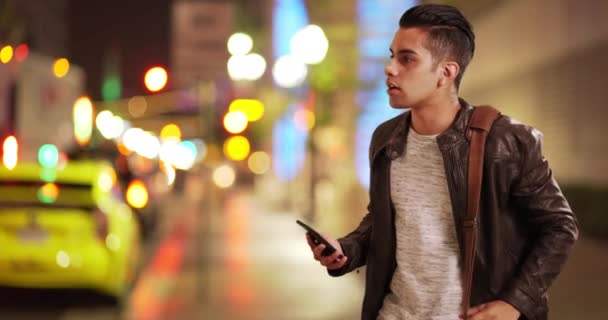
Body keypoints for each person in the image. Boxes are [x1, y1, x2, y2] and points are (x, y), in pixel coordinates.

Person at [305, 4, 578, 320]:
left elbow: (559, 226)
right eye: (392, 55)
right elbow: (383, 219)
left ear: (446, 73)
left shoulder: (505, 141)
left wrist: (516, 301)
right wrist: (346, 250)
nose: (390, 68)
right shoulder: (386, 138)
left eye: (407, 58)